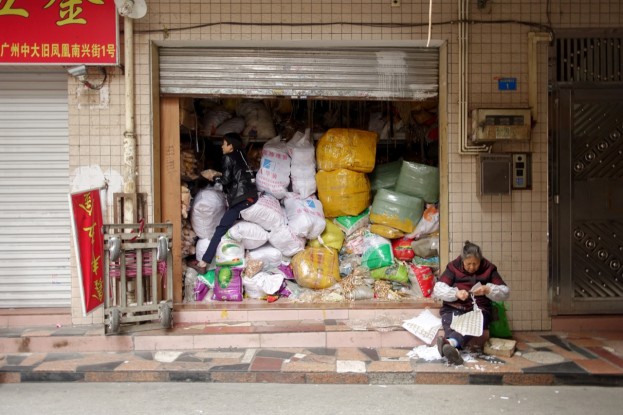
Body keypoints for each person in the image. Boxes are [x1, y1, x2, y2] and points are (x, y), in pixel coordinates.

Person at [433, 240, 510, 365]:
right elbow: (438, 288)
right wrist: (456, 293)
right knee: (450, 321)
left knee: (474, 323)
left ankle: (450, 343)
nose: (472, 267)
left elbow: (505, 291)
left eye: (475, 264)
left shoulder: (489, 268)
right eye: (468, 264)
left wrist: (488, 289)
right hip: (455, 307)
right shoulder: (453, 267)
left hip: (479, 309)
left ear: (481, 261)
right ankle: (452, 345)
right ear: (462, 260)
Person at [193, 132, 258, 273]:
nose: (222, 146)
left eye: (224, 143)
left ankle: (203, 263)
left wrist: (212, 178)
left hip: (241, 200)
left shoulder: (228, 157)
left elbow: (226, 181)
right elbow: (235, 175)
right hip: (251, 195)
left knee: (220, 229)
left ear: (230, 146)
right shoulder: (242, 155)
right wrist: (219, 174)